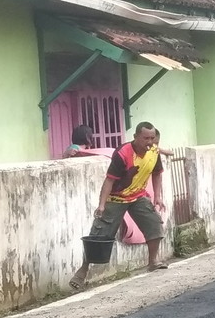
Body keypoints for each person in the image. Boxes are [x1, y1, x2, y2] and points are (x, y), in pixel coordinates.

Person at [69, 122, 167, 291]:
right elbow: (109, 180)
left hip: (138, 196)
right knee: (98, 236)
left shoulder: (154, 152)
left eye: (152, 138)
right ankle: (82, 271)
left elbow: (157, 174)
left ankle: (153, 262)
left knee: (155, 224)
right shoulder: (123, 154)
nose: (149, 142)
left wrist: (157, 196)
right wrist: (101, 204)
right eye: (146, 138)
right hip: (115, 198)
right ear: (135, 137)